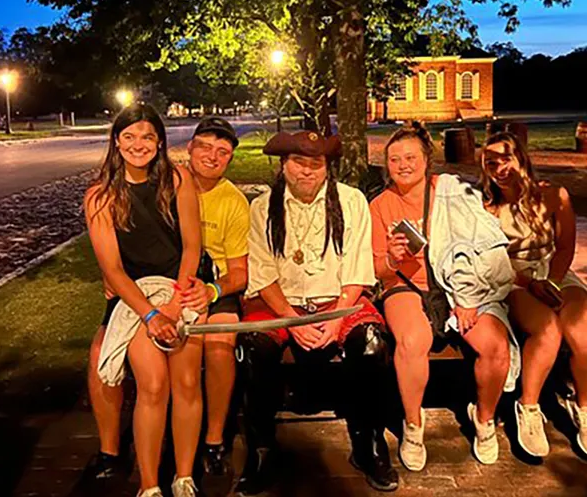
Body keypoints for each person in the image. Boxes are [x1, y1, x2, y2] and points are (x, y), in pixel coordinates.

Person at [235, 130, 399, 495]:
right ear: (283, 165)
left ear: (327, 167)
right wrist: (293, 321)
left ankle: (368, 441)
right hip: (281, 302)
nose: (307, 172)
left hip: (337, 299)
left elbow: (357, 268)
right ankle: (262, 447)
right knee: (253, 348)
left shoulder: (351, 201)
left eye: (316, 164)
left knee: (371, 345)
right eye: (298, 163)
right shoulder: (263, 207)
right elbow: (263, 274)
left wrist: (338, 317)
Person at [370, 123, 519, 469]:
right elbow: (377, 271)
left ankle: (484, 419)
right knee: (411, 340)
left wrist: (466, 296)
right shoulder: (380, 205)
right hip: (407, 284)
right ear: (386, 163)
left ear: (426, 159)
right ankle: (413, 426)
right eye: (394, 159)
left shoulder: (452, 193)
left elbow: (484, 245)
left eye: (410, 157)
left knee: (494, 346)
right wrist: (392, 258)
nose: (403, 165)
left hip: (458, 285)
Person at [83, 106, 205, 497]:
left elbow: (192, 247)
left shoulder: (177, 179)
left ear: (159, 142)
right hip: (134, 298)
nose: (139, 145)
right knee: (153, 384)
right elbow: (114, 270)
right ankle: (149, 484)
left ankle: (183, 476)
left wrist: (175, 301)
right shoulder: (100, 196)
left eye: (148, 137)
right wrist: (151, 313)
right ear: (116, 141)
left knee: (186, 381)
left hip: (179, 288)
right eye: (130, 136)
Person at [480, 131, 587, 459]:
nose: (500, 168)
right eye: (491, 162)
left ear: (521, 158)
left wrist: (552, 281)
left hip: (553, 271)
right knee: (548, 329)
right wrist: (529, 283)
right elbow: (488, 259)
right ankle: (528, 408)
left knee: (584, 331)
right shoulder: (485, 207)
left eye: (505, 158)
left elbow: (565, 247)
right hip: (512, 278)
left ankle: (586, 410)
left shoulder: (554, 196)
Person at [177, 117, 250, 496]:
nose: (212, 156)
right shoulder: (167, 185)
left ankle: (214, 439)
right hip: (172, 282)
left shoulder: (233, 201)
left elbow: (239, 272)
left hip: (215, 285)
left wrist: (210, 290)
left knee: (220, 343)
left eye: (223, 152)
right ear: (189, 148)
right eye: (205, 146)